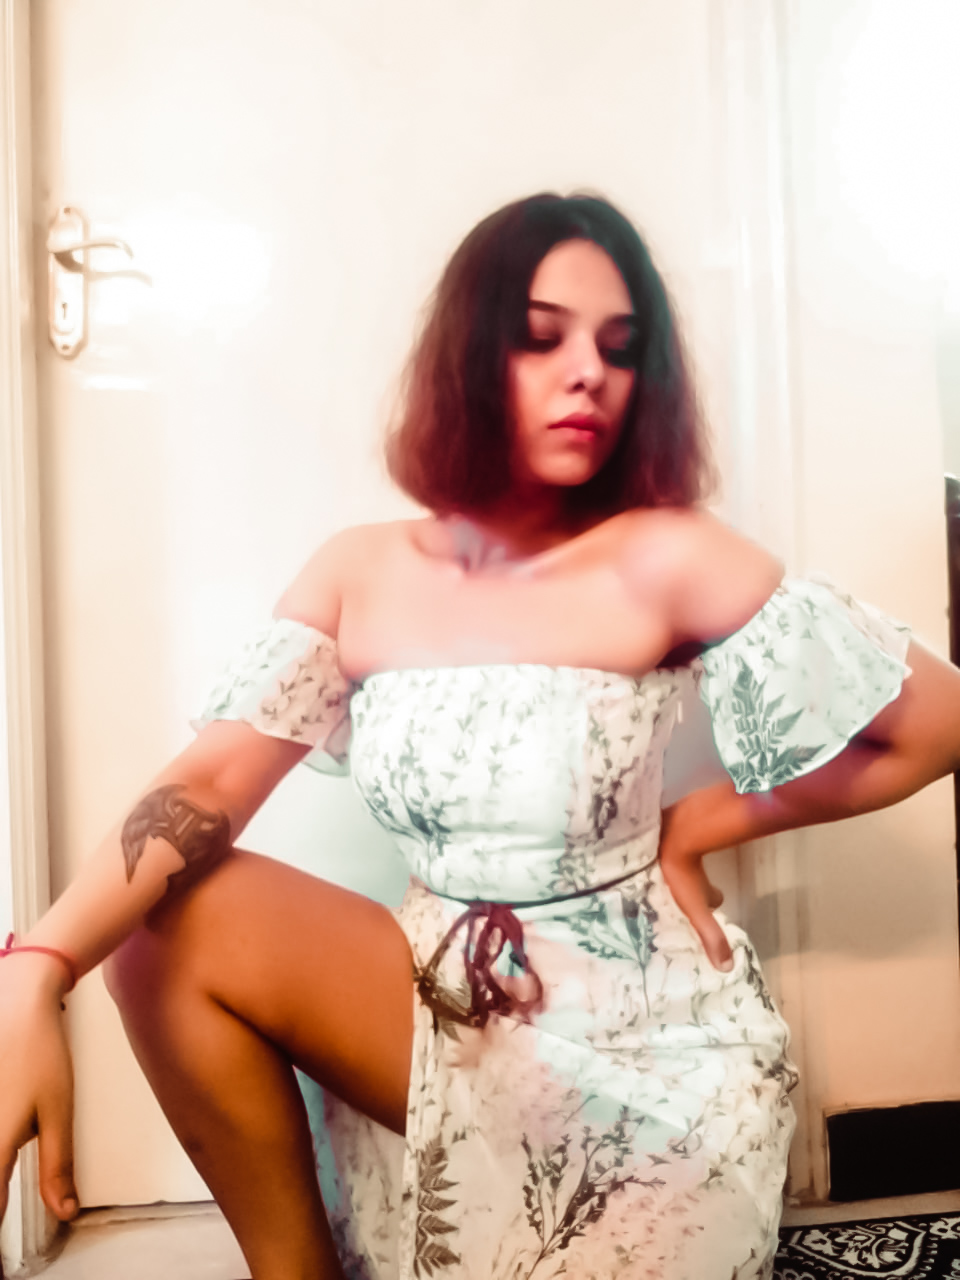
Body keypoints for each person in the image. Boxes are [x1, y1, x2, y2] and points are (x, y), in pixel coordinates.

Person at [1, 192, 959, 1280]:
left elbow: (933, 722)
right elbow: (208, 783)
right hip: (436, 996)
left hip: (638, 1041)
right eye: (542, 336)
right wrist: (36, 967)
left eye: (619, 346)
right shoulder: (360, 569)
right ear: (468, 354)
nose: (588, 372)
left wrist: (701, 821)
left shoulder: (669, 553)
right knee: (165, 922)